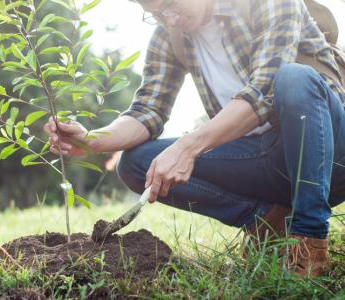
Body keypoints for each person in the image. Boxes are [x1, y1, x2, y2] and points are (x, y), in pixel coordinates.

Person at [43, 0, 345, 277]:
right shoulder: (169, 36)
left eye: (171, 5)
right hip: (265, 160)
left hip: (328, 153)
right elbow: (148, 110)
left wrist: (189, 146)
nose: (170, 19)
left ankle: (308, 241)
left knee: (295, 79)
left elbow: (263, 92)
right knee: (137, 163)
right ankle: (266, 221)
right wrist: (92, 140)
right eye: (157, 14)